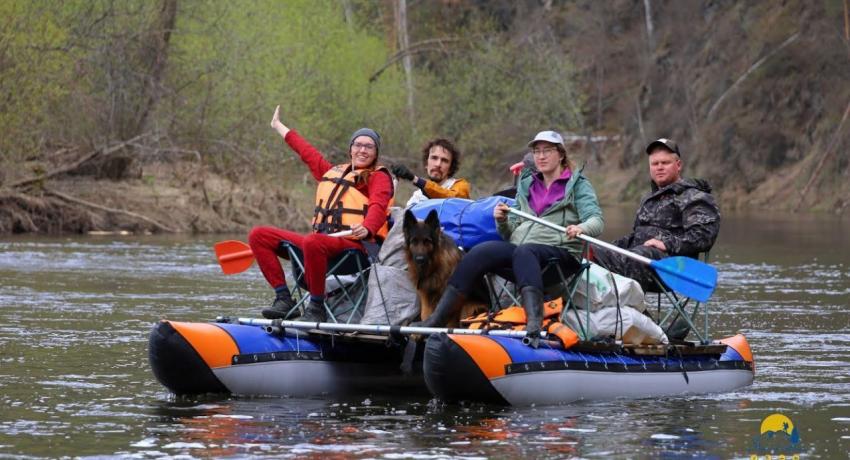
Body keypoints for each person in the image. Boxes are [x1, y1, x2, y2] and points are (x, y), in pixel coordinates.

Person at [414, 130, 604, 346]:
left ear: (560, 154)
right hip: (523, 255)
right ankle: (436, 319)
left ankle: (534, 324)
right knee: (481, 251)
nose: (540, 156)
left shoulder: (577, 185)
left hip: (559, 259)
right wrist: (502, 221)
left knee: (526, 251)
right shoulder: (528, 184)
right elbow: (511, 232)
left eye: (547, 151)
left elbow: (596, 221)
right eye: (537, 151)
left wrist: (581, 227)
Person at [249, 105, 394, 322]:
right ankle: (283, 299)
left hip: (356, 250)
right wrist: (279, 127)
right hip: (321, 245)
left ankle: (316, 308)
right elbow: (307, 153)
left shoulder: (378, 177)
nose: (362, 150)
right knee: (259, 235)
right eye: (358, 145)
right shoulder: (333, 173)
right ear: (350, 149)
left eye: (369, 147)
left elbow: (378, 205)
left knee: (313, 242)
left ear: (376, 153)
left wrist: (368, 227)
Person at [592, 138, 720, 291]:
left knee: (639, 255)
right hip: (639, 258)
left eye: (665, 163)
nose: (659, 167)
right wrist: (605, 247)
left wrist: (666, 243)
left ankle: (627, 304)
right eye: (655, 164)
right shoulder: (648, 199)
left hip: (672, 268)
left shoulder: (695, 197)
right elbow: (637, 236)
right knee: (591, 249)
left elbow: (704, 236)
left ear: (678, 165)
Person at [391, 138, 471, 207]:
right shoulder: (416, 198)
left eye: (444, 161)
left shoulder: (460, 186)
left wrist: (415, 179)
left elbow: (450, 199)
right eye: (434, 158)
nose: (438, 164)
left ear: (450, 167)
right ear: (426, 163)